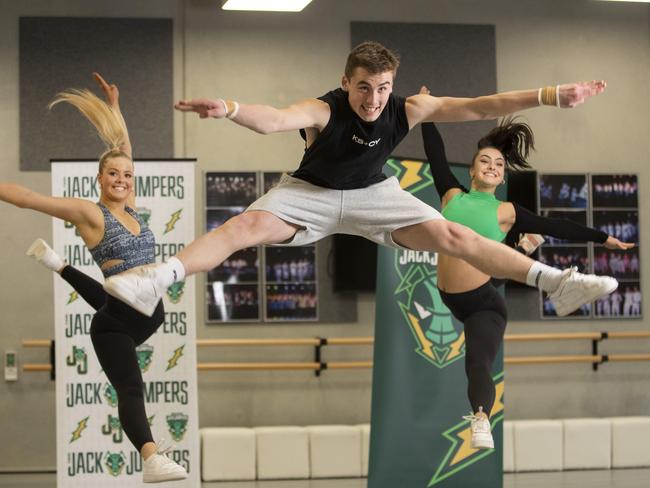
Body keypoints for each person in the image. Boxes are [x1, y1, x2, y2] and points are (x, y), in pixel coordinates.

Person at [103, 41, 617, 323]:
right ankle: (158, 276)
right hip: (309, 194)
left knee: (455, 237)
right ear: (347, 81)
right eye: (364, 87)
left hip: (374, 194)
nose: (373, 100)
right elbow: (272, 118)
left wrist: (551, 95)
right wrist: (230, 109)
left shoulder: (406, 108)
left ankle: (557, 284)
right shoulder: (323, 109)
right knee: (244, 227)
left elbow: (483, 105)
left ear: (393, 86)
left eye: (383, 88)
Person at [0, 73, 187, 483]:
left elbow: (124, 150)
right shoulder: (91, 213)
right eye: (113, 175)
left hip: (144, 315)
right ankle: (151, 456)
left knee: (110, 296)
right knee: (132, 388)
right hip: (116, 326)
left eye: (126, 175)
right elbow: (31, 200)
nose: (121, 179)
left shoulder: (131, 208)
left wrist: (115, 107)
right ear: (98, 180)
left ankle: (58, 265)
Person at [419, 97, 634, 448]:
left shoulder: (506, 211)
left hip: (483, 304)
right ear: (472, 171)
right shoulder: (451, 196)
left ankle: (480, 420)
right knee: (495, 262)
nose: (491, 166)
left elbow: (558, 224)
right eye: (484, 161)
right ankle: (523, 253)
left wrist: (602, 238)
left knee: (477, 364)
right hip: (453, 293)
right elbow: (435, 154)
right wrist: (426, 112)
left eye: (498, 164)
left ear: (502, 175)